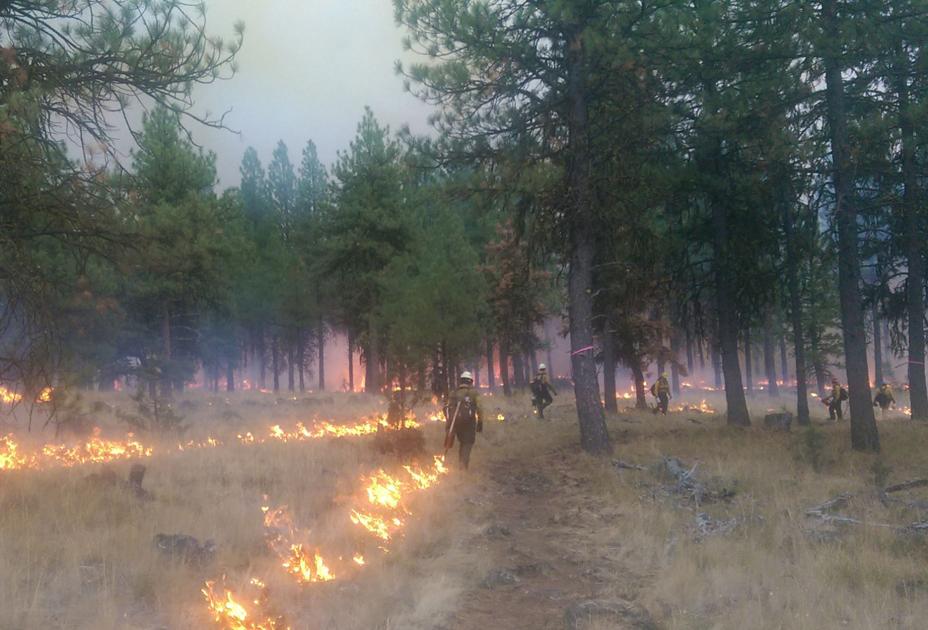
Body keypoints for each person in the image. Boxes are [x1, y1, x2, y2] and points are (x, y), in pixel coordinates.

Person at [444, 371, 483, 469]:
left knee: (462, 442)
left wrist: (450, 422)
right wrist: (480, 422)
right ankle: (463, 467)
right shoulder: (473, 393)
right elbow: (480, 407)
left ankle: (461, 464)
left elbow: (446, 408)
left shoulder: (454, 392)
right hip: (469, 423)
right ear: (470, 381)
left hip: (456, 423)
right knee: (467, 443)